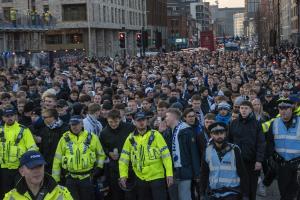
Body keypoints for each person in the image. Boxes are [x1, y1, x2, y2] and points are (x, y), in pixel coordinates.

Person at [119, 112, 173, 200]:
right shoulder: (130, 138)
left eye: (143, 120)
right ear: (134, 122)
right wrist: (123, 175)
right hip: (140, 178)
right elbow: (123, 159)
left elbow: (166, 156)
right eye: (138, 120)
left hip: (157, 177)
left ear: (147, 121)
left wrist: (169, 174)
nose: (141, 123)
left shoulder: (156, 135)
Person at [52, 115, 106, 200]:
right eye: (72, 125)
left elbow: (101, 155)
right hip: (70, 178)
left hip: (87, 177)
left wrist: (99, 168)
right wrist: (56, 179)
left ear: (82, 124)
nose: (74, 127)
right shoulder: (64, 139)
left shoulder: (92, 137)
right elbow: (57, 160)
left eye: (77, 124)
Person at [200, 122, 249, 200]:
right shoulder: (207, 151)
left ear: (225, 134)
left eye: (221, 133)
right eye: (216, 133)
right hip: (214, 194)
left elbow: (242, 173)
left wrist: (245, 194)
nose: (219, 135)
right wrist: (202, 193)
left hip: (232, 192)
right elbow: (204, 174)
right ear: (211, 135)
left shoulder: (234, 149)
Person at [228, 101, 266, 200]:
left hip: (252, 161)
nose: (243, 110)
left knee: (251, 188)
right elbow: (229, 141)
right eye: (242, 108)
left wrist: (259, 160)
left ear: (250, 110)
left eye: (246, 108)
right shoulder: (233, 123)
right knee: (238, 188)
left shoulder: (256, 124)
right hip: (237, 161)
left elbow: (261, 143)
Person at [0, 105, 38, 199]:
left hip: (19, 170)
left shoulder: (24, 130)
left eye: (11, 115)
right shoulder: (0, 131)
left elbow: (32, 149)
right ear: (3, 117)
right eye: (7, 116)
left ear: (15, 116)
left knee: (21, 194)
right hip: (3, 170)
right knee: (4, 195)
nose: (9, 118)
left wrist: (28, 167)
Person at [265, 98, 300, 199]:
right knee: (284, 193)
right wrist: (271, 157)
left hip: (298, 165)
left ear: (292, 109)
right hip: (282, 165)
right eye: (281, 108)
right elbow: (270, 142)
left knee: (296, 193)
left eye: (286, 108)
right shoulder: (274, 123)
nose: (283, 111)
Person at [3, 151, 73, 200]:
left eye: (39, 166)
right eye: (32, 167)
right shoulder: (11, 197)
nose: (37, 171)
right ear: (22, 171)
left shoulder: (62, 193)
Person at [164, 108, 200, 200]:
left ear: (173, 117)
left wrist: (197, 174)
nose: (165, 119)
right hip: (173, 171)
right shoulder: (169, 131)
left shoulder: (186, 131)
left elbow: (194, 153)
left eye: (167, 116)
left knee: (184, 197)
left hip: (185, 170)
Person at [100, 109, 135, 200]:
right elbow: (101, 147)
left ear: (120, 119)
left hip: (130, 166)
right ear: (107, 120)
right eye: (111, 122)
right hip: (114, 167)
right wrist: (108, 153)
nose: (113, 124)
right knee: (116, 193)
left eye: (116, 121)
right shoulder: (104, 133)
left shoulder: (130, 128)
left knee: (130, 193)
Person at [40, 108, 68, 173]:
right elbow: (42, 147)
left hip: (60, 164)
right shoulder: (45, 129)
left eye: (45, 117)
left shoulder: (65, 128)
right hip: (47, 164)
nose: (43, 119)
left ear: (52, 117)